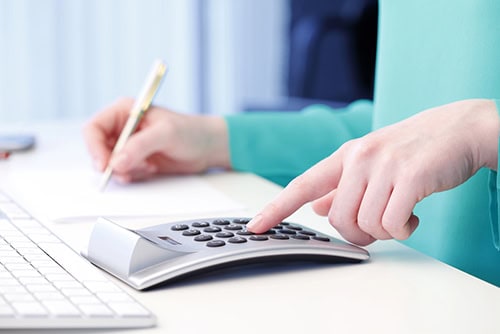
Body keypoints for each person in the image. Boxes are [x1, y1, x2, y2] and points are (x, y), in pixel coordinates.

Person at [83, 0, 500, 286]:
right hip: (400, 285)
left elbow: (460, 129)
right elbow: (404, 127)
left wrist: (488, 129)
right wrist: (215, 139)